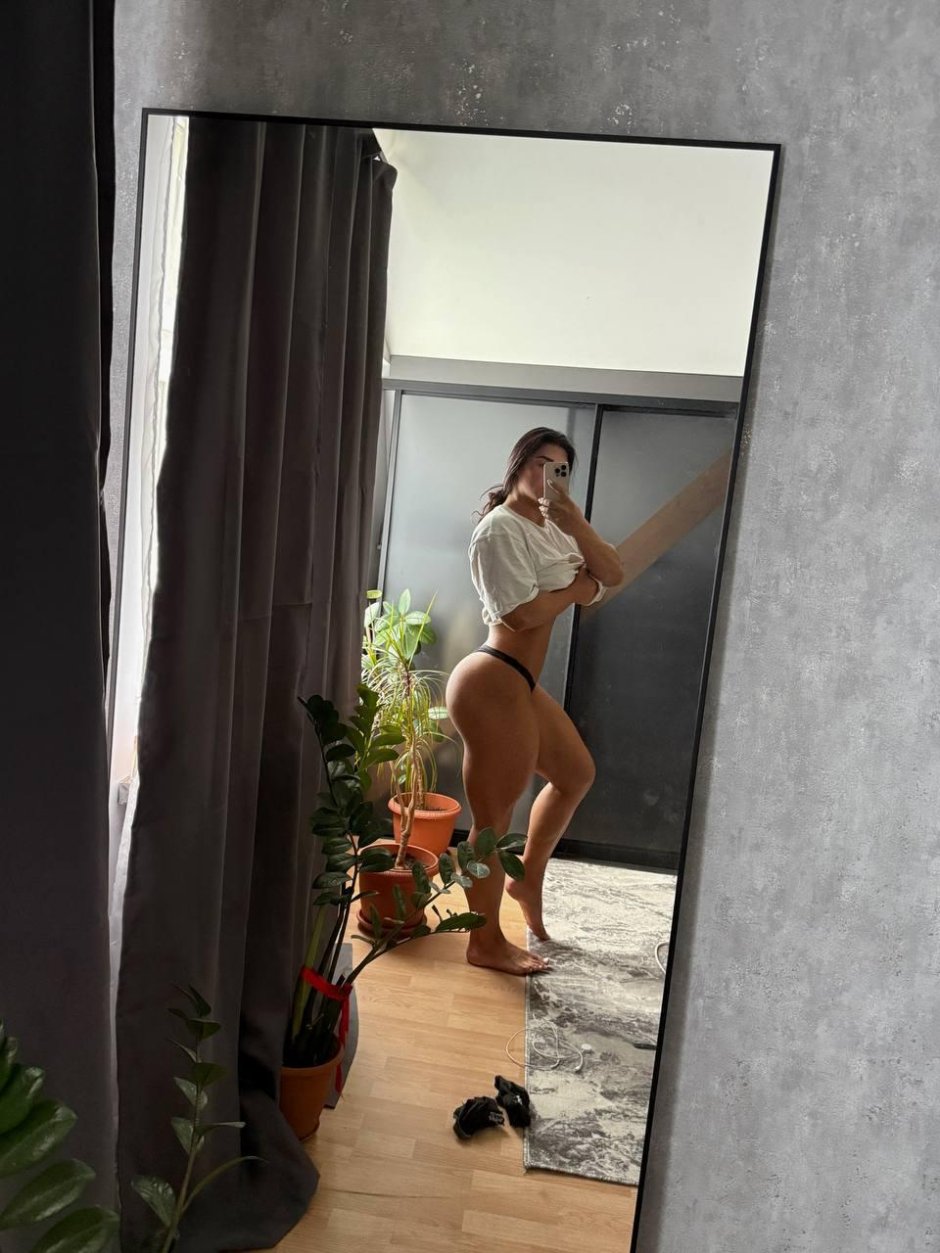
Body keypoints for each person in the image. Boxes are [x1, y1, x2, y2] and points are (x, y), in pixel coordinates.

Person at [445, 428, 624, 975]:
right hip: (490, 678)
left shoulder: (555, 528)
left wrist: (576, 523)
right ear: (518, 464)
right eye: (539, 462)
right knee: (492, 821)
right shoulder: (498, 529)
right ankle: (483, 942)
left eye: (559, 468)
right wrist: (575, 589)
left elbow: (612, 574)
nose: (547, 474)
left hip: (518, 681)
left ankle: (527, 876)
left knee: (575, 773)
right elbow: (520, 615)